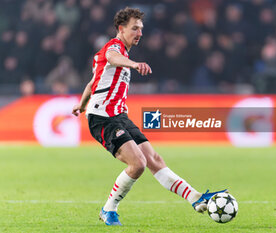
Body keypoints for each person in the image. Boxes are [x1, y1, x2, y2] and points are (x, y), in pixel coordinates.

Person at [72, 7, 226, 226]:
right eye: (135, 28)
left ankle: (195, 198)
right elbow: (111, 56)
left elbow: (91, 83)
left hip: (119, 115)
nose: (139, 33)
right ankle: (108, 209)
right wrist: (134, 65)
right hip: (103, 118)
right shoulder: (114, 48)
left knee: (154, 160)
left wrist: (80, 104)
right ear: (121, 28)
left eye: (141, 29)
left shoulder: (120, 55)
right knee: (138, 164)